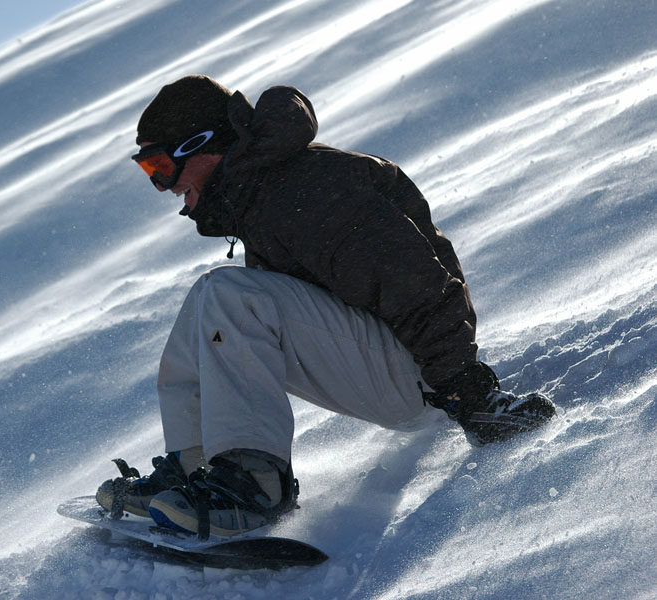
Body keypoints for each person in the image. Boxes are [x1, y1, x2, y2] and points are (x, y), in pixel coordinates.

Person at [96, 75, 555, 539]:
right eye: (147, 170)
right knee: (207, 301)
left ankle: (253, 485)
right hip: (391, 367)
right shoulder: (261, 195)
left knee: (228, 297)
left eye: (159, 166)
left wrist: (465, 387)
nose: (163, 186)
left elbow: (412, 280)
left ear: (202, 144)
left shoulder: (305, 188)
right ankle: (193, 469)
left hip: (425, 377)